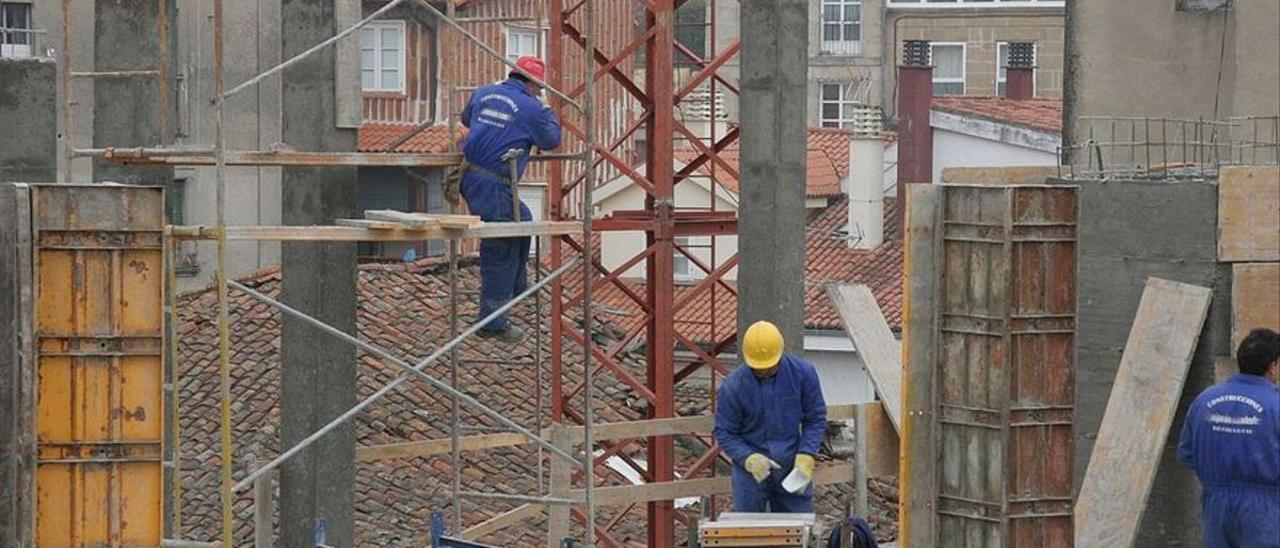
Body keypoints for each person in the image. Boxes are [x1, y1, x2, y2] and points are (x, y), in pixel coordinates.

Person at [457, 55, 562, 343]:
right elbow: (552, 141)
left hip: (470, 177)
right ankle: (493, 322)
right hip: (494, 183)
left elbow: (467, 119)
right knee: (500, 246)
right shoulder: (532, 107)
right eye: (539, 87)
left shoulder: (484, 93)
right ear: (533, 83)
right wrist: (549, 113)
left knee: (523, 220)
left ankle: (517, 286)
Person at [1178, 327, 1280, 548]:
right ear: (1272, 366)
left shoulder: (1204, 400)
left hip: (1215, 506)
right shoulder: (1276, 405)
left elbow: (1186, 452)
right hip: (1263, 511)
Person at [714, 320, 827, 512]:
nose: (764, 371)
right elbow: (725, 432)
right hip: (750, 473)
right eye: (759, 368)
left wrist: (807, 453)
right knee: (749, 533)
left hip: (792, 466)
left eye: (770, 367)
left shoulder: (803, 374)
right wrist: (748, 458)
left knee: (796, 531)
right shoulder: (734, 386)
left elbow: (815, 418)